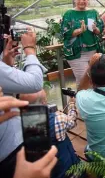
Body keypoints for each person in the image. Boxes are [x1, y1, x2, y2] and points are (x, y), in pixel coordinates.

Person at [0, 32, 48, 178]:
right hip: (12, 149)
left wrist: (6, 64)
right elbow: (34, 83)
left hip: (16, 133)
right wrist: (30, 49)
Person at [19, 90, 80, 178]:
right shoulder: (58, 118)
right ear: (43, 102)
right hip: (65, 166)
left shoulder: (17, 123)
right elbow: (72, 121)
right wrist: (71, 104)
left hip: (40, 168)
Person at [61, 0, 104, 88]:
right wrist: (79, 30)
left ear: (87, 0)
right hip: (77, 53)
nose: (81, 1)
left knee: (95, 79)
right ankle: (81, 102)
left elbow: (100, 29)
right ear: (74, 0)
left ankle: (89, 101)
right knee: (83, 80)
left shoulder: (93, 12)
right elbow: (64, 32)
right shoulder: (69, 14)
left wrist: (95, 29)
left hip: (93, 52)